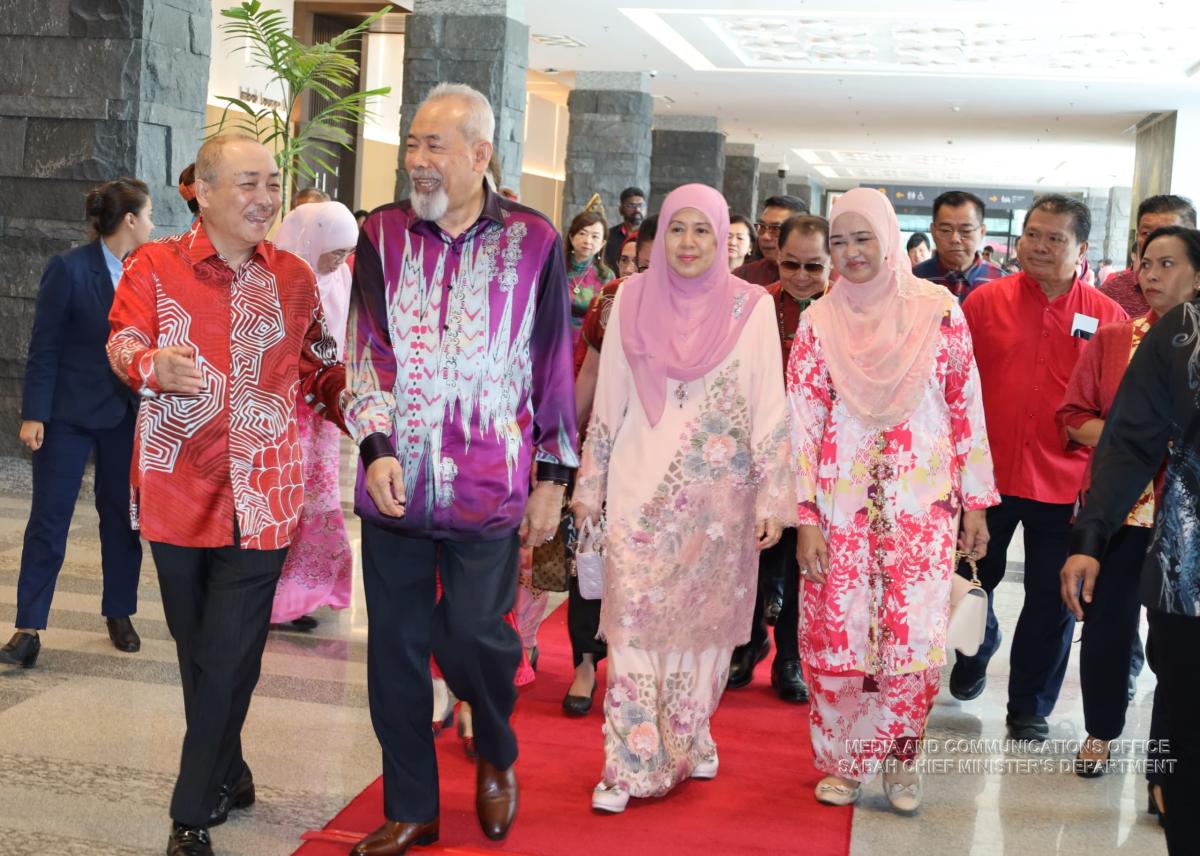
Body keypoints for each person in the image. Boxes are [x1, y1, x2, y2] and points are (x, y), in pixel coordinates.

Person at [345, 83, 577, 855]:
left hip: (489, 481)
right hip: (397, 481)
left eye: (433, 146)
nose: (416, 159)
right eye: (411, 143)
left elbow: (553, 363)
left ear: (480, 154)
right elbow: (364, 353)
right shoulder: (381, 234)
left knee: (475, 633)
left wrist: (554, 478)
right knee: (395, 651)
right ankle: (413, 806)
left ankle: (497, 751)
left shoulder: (535, 240)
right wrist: (375, 448)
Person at [106, 134, 347, 856]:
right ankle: (231, 769)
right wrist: (152, 365)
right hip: (178, 489)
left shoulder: (295, 278)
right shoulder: (153, 264)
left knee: (231, 648)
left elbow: (320, 368)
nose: (266, 198)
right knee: (200, 652)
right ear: (202, 191)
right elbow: (122, 341)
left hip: (266, 493)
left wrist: (366, 414)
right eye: (248, 183)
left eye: (273, 184)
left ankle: (191, 813)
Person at [572, 183, 793, 813]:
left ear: (722, 237)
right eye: (677, 228)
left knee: (705, 630)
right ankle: (630, 764)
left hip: (720, 500)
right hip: (639, 490)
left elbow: (768, 406)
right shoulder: (629, 298)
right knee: (632, 624)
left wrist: (774, 499)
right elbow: (610, 400)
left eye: (702, 230)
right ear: (658, 233)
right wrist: (589, 485)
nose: (689, 242)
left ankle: (691, 735)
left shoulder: (751, 307)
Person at [788, 188, 996, 812]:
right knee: (838, 637)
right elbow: (801, 425)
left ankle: (903, 759)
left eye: (863, 239)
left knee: (911, 638)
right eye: (839, 242)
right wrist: (805, 516)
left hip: (922, 506)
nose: (851, 253)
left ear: (888, 239)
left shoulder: (939, 311)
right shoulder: (818, 322)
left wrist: (975, 504)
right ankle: (844, 761)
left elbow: (965, 407)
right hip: (839, 508)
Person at [954, 194, 1126, 742]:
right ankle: (976, 648)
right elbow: (953, 386)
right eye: (1033, 234)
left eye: (1055, 238)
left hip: (1067, 482)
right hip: (987, 478)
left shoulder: (1108, 318)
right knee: (969, 581)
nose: (1039, 247)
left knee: (1052, 602)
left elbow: (1116, 406)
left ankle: (1029, 706)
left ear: (1082, 248)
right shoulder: (984, 303)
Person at [1059, 232, 1200, 855]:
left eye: (1167, 263)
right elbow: (1128, 442)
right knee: (1179, 692)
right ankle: (1164, 781)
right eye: (1148, 263)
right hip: (1186, 561)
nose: (1152, 274)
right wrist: (1090, 536)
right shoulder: (1180, 336)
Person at [1, 178, 152, 670]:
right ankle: (28, 628)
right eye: (149, 215)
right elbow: (43, 346)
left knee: (122, 518)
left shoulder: (148, 271)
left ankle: (119, 613)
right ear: (129, 220)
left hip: (124, 415)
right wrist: (34, 414)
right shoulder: (67, 269)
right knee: (49, 518)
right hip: (66, 416)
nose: (152, 225)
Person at [727, 214, 830, 702]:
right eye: (791, 264)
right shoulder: (755, 306)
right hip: (756, 450)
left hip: (821, 457)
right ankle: (748, 643)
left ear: (831, 262)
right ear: (775, 258)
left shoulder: (844, 312)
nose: (802, 276)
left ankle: (791, 656)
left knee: (799, 563)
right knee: (750, 553)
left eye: (814, 266)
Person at [268, 201, 360, 632]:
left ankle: (302, 593)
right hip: (284, 406)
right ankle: (269, 595)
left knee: (317, 500)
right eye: (335, 251)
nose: (341, 260)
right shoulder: (281, 279)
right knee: (281, 498)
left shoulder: (342, 277)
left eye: (346, 252)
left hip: (322, 410)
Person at [1099, 194, 1196, 317]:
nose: (1156, 240)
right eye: (1147, 233)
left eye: (1168, 233)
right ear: (1137, 237)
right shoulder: (1112, 294)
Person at [912, 191, 1006, 302]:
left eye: (966, 230)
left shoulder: (1002, 282)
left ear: (981, 232)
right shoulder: (913, 279)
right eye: (946, 230)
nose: (955, 239)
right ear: (933, 231)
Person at [734, 195, 808, 285]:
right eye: (762, 227)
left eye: (775, 229)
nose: (765, 236)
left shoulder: (816, 278)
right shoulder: (743, 276)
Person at [565, 209, 615, 344]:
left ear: (602, 243)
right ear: (571, 237)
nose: (587, 241)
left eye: (595, 236)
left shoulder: (607, 277)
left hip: (586, 344)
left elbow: (606, 320)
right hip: (554, 339)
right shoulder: (555, 268)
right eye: (582, 233)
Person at [604, 186, 646, 272]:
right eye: (631, 205)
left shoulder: (650, 236)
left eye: (641, 205)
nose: (637, 210)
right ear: (621, 209)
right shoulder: (608, 235)